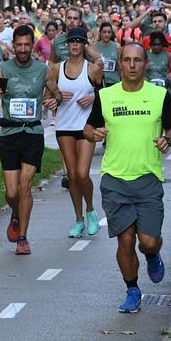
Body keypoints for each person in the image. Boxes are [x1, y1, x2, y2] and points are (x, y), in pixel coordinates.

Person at [84, 43, 171, 313]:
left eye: (138, 60)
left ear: (146, 63)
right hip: (115, 178)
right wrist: (94, 134)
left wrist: (166, 140)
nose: (133, 65)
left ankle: (152, 254)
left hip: (148, 178)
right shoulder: (106, 95)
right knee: (125, 240)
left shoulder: (160, 94)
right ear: (120, 64)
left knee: (147, 241)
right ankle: (132, 290)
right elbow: (89, 127)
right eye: (127, 60)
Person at [0, 25, 54, 255]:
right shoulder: (3, 69)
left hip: (32, 133)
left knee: (25, 187)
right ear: (13, 46)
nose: (22, 49)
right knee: (11, 193)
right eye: (19, 45)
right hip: (10, 133)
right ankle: (16, 212)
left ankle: (23, 237)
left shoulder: (43, 69)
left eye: (26, 45)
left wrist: (55, 100)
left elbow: (54, 91)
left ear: (33, 45)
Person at [50, 26, 103, 238]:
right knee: (72, 176)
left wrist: (92, 98)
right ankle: (78, 219)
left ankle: (90, 210)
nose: (74, 44)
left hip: (86, 127)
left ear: (84, 45)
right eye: (72, 41)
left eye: (79, 41)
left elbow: (105, 95)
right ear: (67, 44)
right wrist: (56, 97)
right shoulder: (55, 68)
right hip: (64, 126)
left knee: (82, 174)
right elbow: (48, 97)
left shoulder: (93, 69)